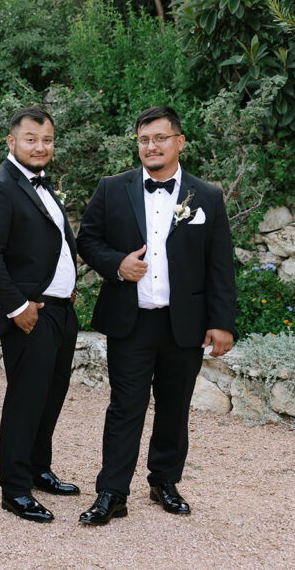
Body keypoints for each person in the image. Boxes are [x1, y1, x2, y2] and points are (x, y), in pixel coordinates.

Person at [76, 105, 235, 526]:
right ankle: (112, 491)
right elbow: (87, 240)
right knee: (124, 406)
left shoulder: (208, 197)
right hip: (131, 321)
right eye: (144, 139)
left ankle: (164, 480)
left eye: (160, 138)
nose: (151, 146)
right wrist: (116, 264)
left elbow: (220, 265)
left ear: (179, 142)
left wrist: (222, 322)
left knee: (174, 406)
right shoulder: (112, 188)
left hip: (185, 322)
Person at [0, 105, 81, 523]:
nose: (40, 146)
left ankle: (37, 468)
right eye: (31, 139)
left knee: (51, 395)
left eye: (47, 139)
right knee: (25, 399)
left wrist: (67, 288)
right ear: (11, 142)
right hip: (28, 314)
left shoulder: (43, 186)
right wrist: (17, 307)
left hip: (58, 311)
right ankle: (14, 489)